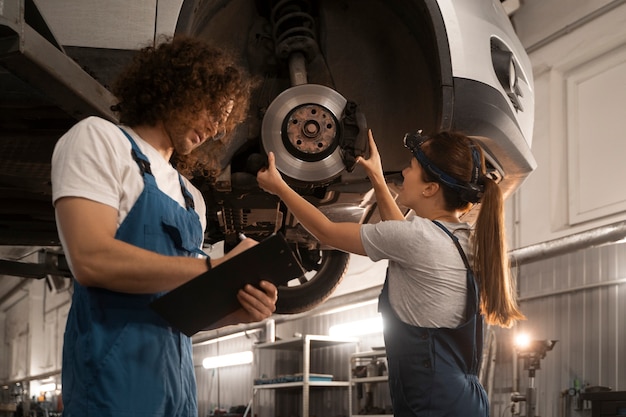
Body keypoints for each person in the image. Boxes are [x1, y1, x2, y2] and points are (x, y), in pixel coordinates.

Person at [51, 36, 278, 417]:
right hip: (112, 389)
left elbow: (176, 312)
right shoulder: (98, 139)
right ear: (177, 87)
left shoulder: (192, 198)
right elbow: (91, 259)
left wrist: (236, 310)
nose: (218, 127)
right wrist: (214, 268)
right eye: (212, 108)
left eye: (224, 118)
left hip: (177, 392)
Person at [257, 129, 525, 416]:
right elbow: (403, 237)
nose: (405, 171)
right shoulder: (461, 238)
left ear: (430, 188)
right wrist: (376, 176)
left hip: (433, 406)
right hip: (465, 401)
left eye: (413, 167)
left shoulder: (418, 239)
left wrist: (280, 188)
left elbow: (327, 232)